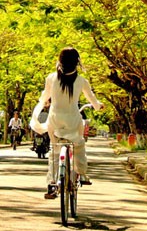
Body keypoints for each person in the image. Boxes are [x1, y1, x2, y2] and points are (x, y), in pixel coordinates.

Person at [29, 47, 104, 199]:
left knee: (55, 151)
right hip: (73, 120)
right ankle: (82, 174)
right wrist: (98, 106)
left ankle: (52, 183)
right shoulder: (82, 81)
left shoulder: (51, 78)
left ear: (60, 61)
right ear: (77, 62)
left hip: (54, 120)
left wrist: (42, 102)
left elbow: (44, 97)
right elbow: (92, 100)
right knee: (79, 145)